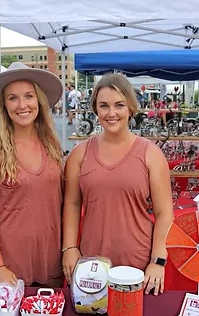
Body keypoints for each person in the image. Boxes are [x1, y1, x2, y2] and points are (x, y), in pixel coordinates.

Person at [62, 73, 174, 295]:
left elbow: (164, 212)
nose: (111, 113)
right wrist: (69, 248)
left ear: (131, 108)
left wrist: (158, 260)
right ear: (95, 109)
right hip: (91, 264)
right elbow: (72, 204)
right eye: (104, 106)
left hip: (138, 263)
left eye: (119, 105)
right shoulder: (79, 154)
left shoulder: (150, 154)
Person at [0, 62, 64, 287]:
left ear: (39, 101)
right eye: (13, 98)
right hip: (11, 266)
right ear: (4, 105)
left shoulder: (51, 144)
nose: (22, 105)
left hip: (53, 260)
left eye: (29, 96)